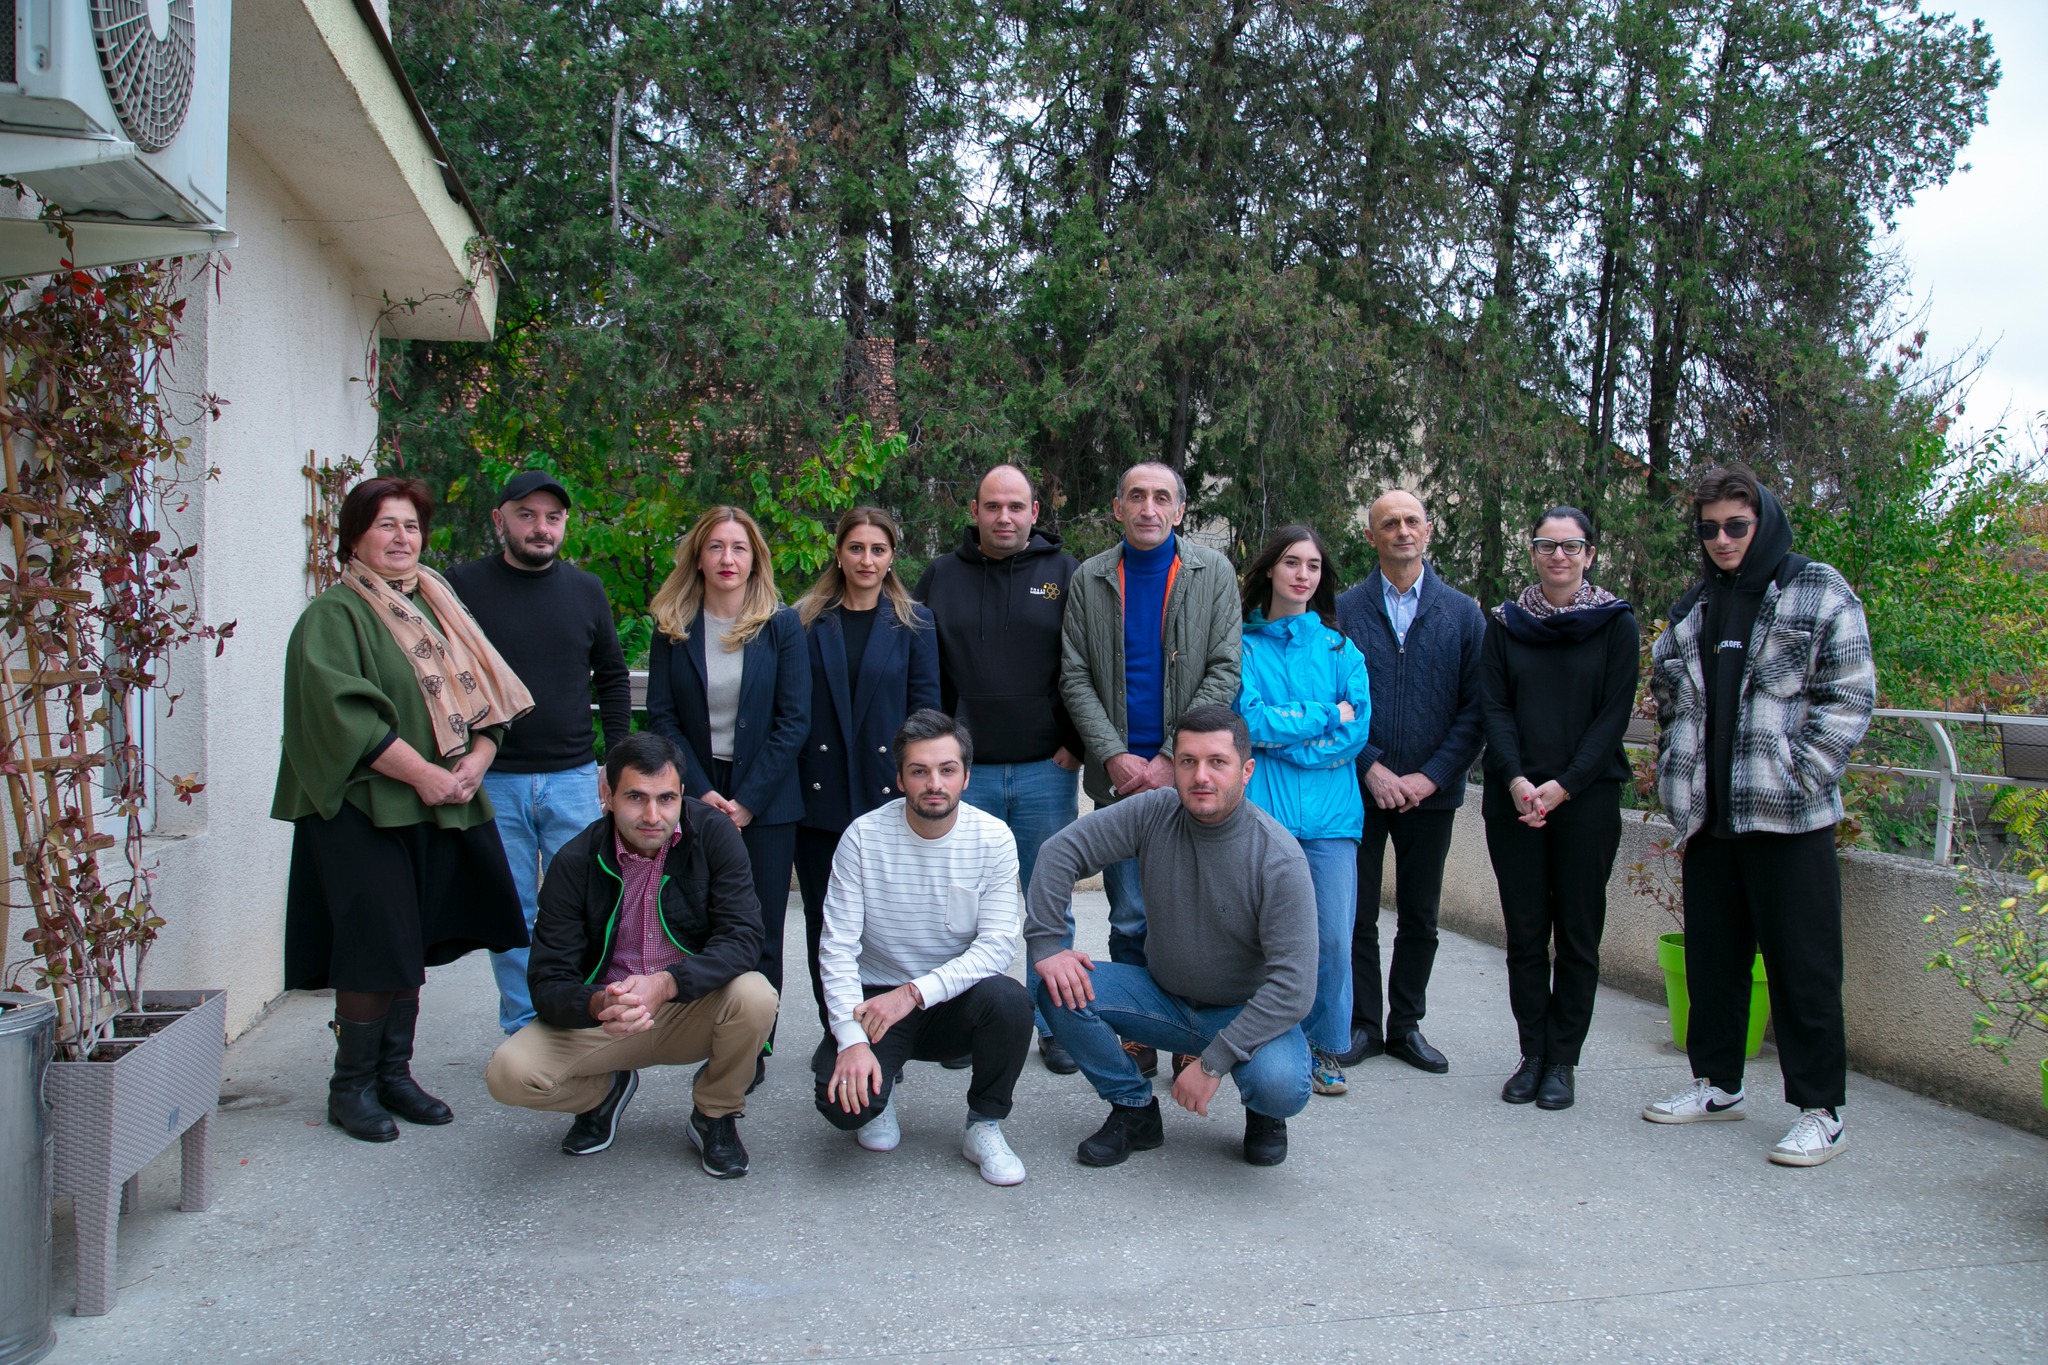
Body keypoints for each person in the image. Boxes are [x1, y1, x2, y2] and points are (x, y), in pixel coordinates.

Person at [274, 476, 533, 1143]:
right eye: (386, 524)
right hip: (364, 810)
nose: (401, 538)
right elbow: (341, 716)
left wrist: (476, 761)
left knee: (409, 942)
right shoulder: (334, 615)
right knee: (375, 944)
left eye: (411, 526)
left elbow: (486, 699)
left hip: (437, 805)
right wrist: (424, 774)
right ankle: (350, 1085)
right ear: (354, 536)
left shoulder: (438, 608)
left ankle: (394, 1074)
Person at [1642, 464, 1874, 1168]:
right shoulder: (1694, 607)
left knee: (1804, 968)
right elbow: (1667, 696)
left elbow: (1850, 694)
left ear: (1763, 521)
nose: (1722, 539)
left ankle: (1820, 1111)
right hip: (1711, 822)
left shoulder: (1817, 589)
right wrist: (1676, 771)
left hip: (1789, 821)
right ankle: (1718, 1084)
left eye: (1735, 526)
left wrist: (1803, 774)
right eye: (1709, 528)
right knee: (1714, 963)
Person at [1029, 705, 1316, 1168]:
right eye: (1188, 761)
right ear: (1174, 766)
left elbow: (1294, 988)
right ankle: (1134, 1110)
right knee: (1056, 990)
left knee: (1281, 1086)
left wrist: (1213, 1062)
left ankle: (1264, 1114)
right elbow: (1060, 851)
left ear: (1246, 771)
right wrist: (1048, 944)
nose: (1201, 776)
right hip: (1162, 999)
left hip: (1243, 1011)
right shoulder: (1155, 812)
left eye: (1217, 762)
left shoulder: (1278, 858)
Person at [485, 732, 776, 1177]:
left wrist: (668, 982)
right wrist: (598, 1002)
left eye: (666, 798)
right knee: (508, 1074)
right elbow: (547, 981)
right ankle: (603, 1093)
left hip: (688, 1004)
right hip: (609, 1016)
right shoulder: (575, 860)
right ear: (607, 794)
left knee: (756, 995)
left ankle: (715, 1113)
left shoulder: (714, 834)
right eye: (636, 797)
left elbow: (743, 937)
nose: (653, 816)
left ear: (682, 794)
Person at [1059, 462, 1241, 1075]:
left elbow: (1224, 669)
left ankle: (1193, 1034)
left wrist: (1170, 757)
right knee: (1131, 915)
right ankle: (1137, 1034)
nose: (1148, 507)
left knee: (1196, 918)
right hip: (1118, 783)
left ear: (1179, 510)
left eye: (1162, 497)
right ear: (1118, 508)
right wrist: (1113, 754)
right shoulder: (1089, 578)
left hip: (1193, 779)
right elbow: (1075, 674)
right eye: (1136, 496)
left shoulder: (1212, 572)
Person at [813, 710, 1035, 1186]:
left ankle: (984, 1124)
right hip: (876, 1003)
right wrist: (851, 1041)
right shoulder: (863, 837)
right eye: (919, 771)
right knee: (844, 1109)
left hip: (952, 1001)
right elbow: (837, 948)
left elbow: (997, 946)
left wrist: (913, 993)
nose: (934, 784)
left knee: (1010, 1000)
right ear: (900, 778)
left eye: (947, 770)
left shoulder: (993, 838)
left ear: (966, 777)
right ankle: (882, 1089)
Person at [447, 470, 631, 1036]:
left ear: (565, 524)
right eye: (526, 515)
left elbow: (612, 677)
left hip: (574, 777)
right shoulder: (460, 587)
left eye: (552, 517)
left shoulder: (586, 590)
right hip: (493, 780)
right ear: (499, 519)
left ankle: (590, 1021)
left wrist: (615, 762)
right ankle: (524, 1026)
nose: (540, 527)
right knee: (511, 912)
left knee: (593, 905)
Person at [915, 464, 1084, 1075]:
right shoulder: (941, 576)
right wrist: (938, 758)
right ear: (975, 510)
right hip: (968, 774)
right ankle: (961, 1024)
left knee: (1048, 903)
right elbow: (925, 670)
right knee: (961, 905)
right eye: (992, 506)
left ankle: (1056, 1023)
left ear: (1034, 512)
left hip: (1046, 769)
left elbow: (1086, 661)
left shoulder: (1066, 574)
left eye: (1016, 506)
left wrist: (1075, 743)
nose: (1004, 517)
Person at [1479, 506, 1639, 1112]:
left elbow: (1612, 717)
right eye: (1547, 545)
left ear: (1589, 554)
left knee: (1576, 935)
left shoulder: (1615, 624)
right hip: (1514, 799)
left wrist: (1564, 786)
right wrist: (1518, 779)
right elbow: (1494, 707)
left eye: (1571, 546)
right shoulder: (1505, 624)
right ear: (1533, 552)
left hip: (1586, 800)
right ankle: (1531, 1055)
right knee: (1525, 936)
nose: (1559, 556)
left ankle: (1562, 1060)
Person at [645, 506, 809, 1083]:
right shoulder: (673, 625)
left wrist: (748, 801)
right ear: (699, 556)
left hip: (767, 797)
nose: (727, 559)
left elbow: (794, 719)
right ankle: (706, 1031)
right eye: (715, 546)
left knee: (760, 928)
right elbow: (662, 717)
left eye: (739, 548)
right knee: (701, 922)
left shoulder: (781, 625)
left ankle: (753, 1048)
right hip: (695, 791)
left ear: (755, 559)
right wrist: (702, 791)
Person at [1333, 489, 1486, 1075]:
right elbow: (1330, 700)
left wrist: (1431, 777)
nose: (1401, 530)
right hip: (1359, 788)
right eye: (1389, 523)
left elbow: (1477, 710)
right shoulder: (1344, 612)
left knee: (1421, 916)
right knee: (1357, 915)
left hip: (1432, 794)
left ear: (1428, 531)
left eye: (1411, 521)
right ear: (1370, 536)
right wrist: (1369, 766)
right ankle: (1363, 1024)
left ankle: (1406, 1026)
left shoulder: (1463, 614)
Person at [1234, 525, 1372, 1098]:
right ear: (1270, 569)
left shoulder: (1342, 650)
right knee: (1257, 939)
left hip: (1332, 820)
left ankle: (1322, 1046)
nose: (1303, 575)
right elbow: (1249, 722)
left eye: (1313, 566)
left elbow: (1357, 731)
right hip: (1263, 813)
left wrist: (1286, 739)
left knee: (1332, 940)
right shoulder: (1242, 647)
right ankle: (1259, 1041)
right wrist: (1326, 715)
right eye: (1292, 562)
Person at [794, 507, 940, 1023]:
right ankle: (836, 1028)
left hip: (887, 791)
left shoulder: (915, 622)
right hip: (820, 793)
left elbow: (925, 713)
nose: (866, 560)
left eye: (878, 549)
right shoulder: (804, 621)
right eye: (856, 548)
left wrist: (916, 779)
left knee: (890, 920)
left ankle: (891, 1027)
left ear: (892, 557)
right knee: (824, 920)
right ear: (838, 553)